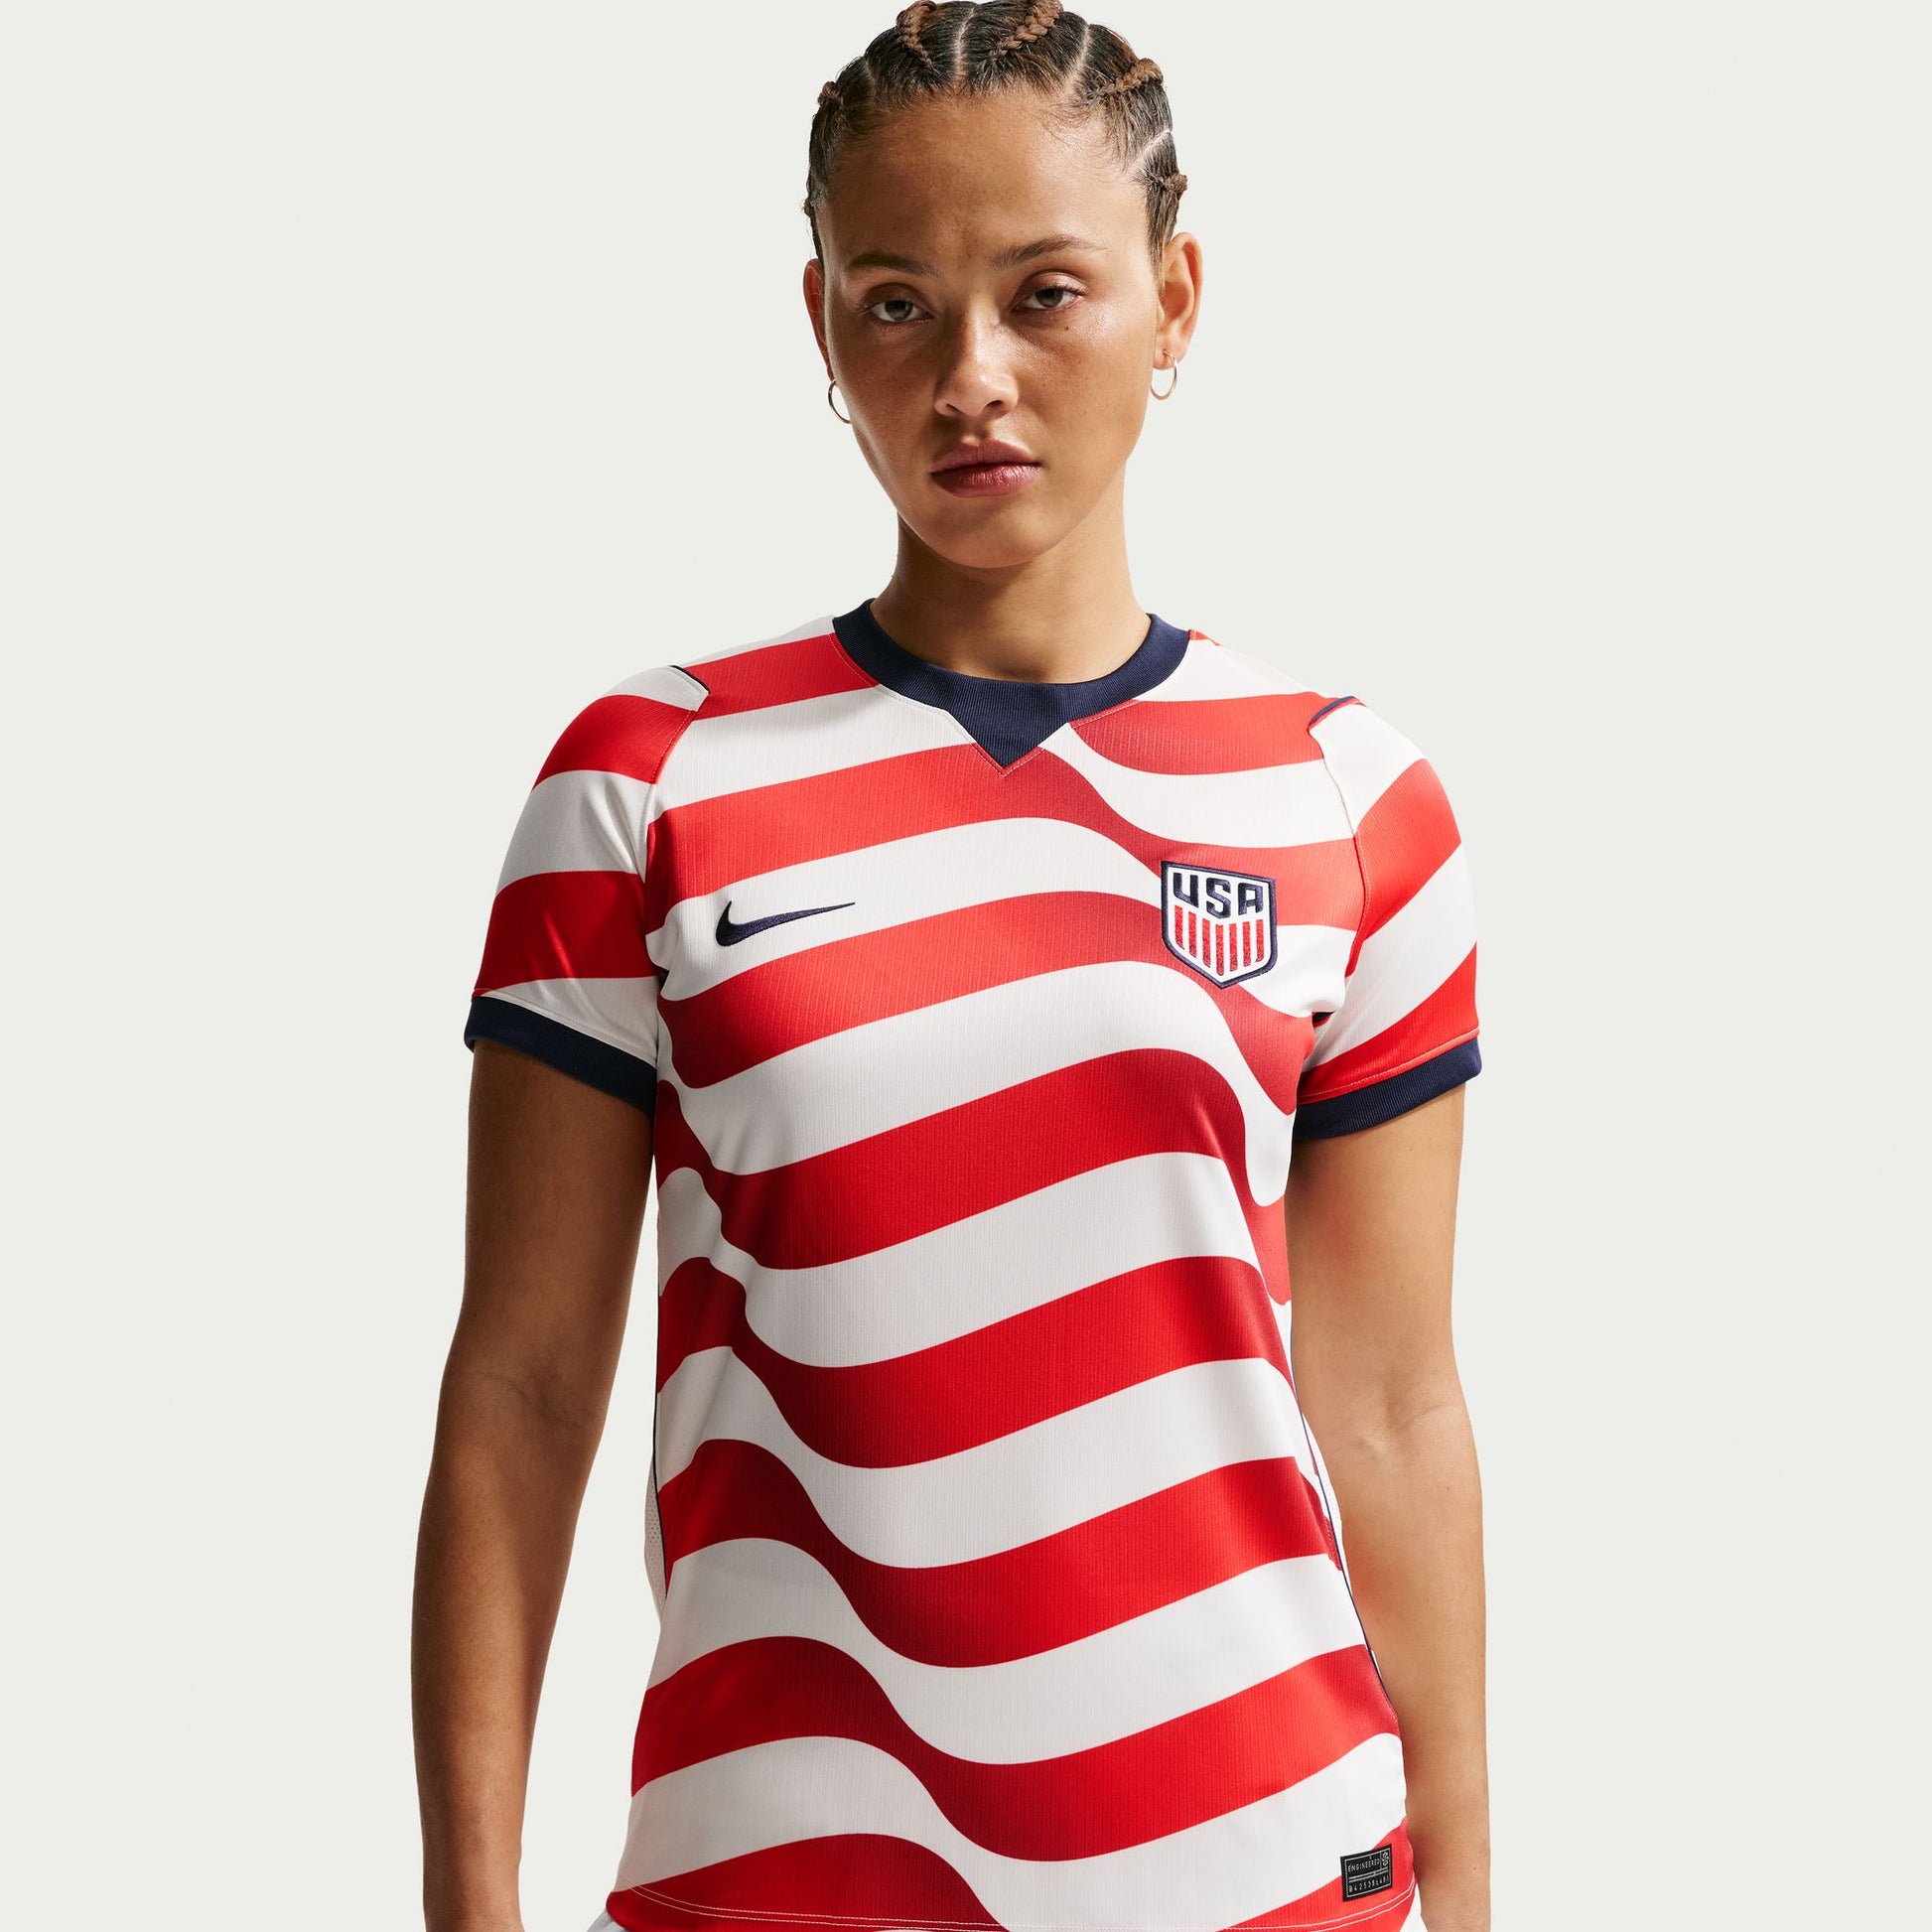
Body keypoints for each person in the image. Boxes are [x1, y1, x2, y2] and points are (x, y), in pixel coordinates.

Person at [412, 5, 1489, 1931]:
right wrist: (466, 1905)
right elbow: (520, 1390)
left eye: (1043, 293)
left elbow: (1393, 1405)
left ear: (1172, 300)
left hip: (1259, 1867)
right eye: (896, 303)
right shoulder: (648, 781)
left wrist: (1469, 1894)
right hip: (774, 1867)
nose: (969, 377)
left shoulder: (1344, 796)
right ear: (820, 323)